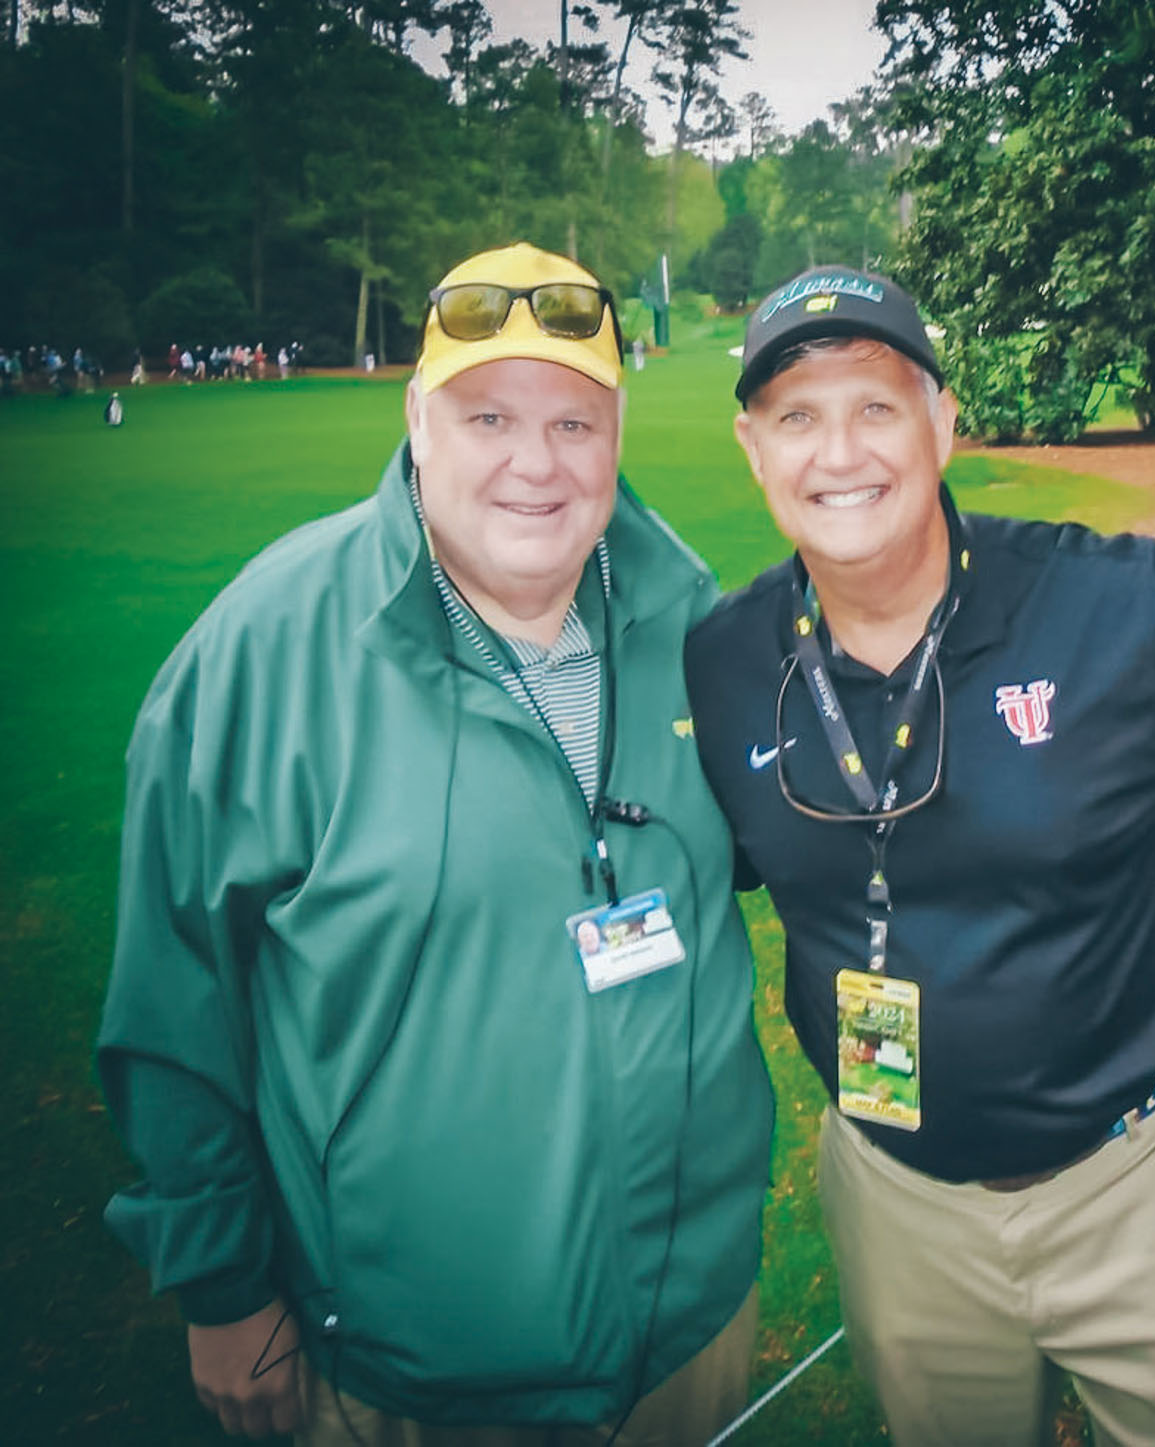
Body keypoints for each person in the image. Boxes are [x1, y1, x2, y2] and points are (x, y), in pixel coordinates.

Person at [96, 242, 773, 1445]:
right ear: (417, 419)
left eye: (574, 420)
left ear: (619, 431)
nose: (534, 463)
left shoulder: (693, 617)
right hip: (416, 1371)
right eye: (488, 416)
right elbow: (170, 1000)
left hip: (688, 1334)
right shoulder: (263, 651)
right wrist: (223, 1289)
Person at [685, 264, 1155, 1447]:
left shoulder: (1116, 604)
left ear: (943, 421)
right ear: (752, 446)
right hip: (897, 1197)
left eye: (876, 407)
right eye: (797, 416)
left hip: (1137, 1176)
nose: (839, 453)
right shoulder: (724, 661)